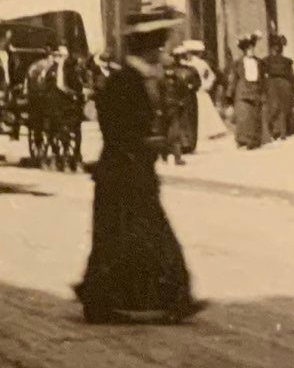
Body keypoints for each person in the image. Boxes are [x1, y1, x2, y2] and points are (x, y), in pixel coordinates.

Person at [75, 21, 200, 323]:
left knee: (123, 239)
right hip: (124, 171)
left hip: (131, 171)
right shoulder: (125, 82)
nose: (161, 55)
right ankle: (169, 299)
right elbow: (115, 126)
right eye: (157, 49)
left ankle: (111, 301)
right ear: (147, 51)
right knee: (140, 236)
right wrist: (146, 141)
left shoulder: (136, 79)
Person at [157, 40, 205, 164]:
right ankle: (175, 150)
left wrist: (191, 87)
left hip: (188, 99)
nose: (178, 60)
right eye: (176, 57)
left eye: (181, 57)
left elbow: (197, 83)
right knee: (175, 126)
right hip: (174, 102)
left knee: (189, 122)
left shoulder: (191, 70)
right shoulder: (168, 73)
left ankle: (188, 145)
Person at [229, 35, 267, 150]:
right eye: (248, 49)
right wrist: (229, 94)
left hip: (255, 90)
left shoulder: (259, 62)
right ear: (244, 50)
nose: (251, 51)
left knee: (255, 115)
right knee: (244, 116)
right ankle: (243, 140)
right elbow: (233, 79)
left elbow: (262, 78)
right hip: (242, 91)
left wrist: (263, 91)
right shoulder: (238, 63)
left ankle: (255, 140)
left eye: (252, 49)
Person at [260, 33, 294, 144]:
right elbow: (291, 77)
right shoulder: (287, 61)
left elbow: (262, 75)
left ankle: (275, 131)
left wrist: (263, 88)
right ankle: (282, 132)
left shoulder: (266, 61)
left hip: (272, 85)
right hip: (284, 85)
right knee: (283, 108)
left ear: (272, 48)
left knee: (273, 107)